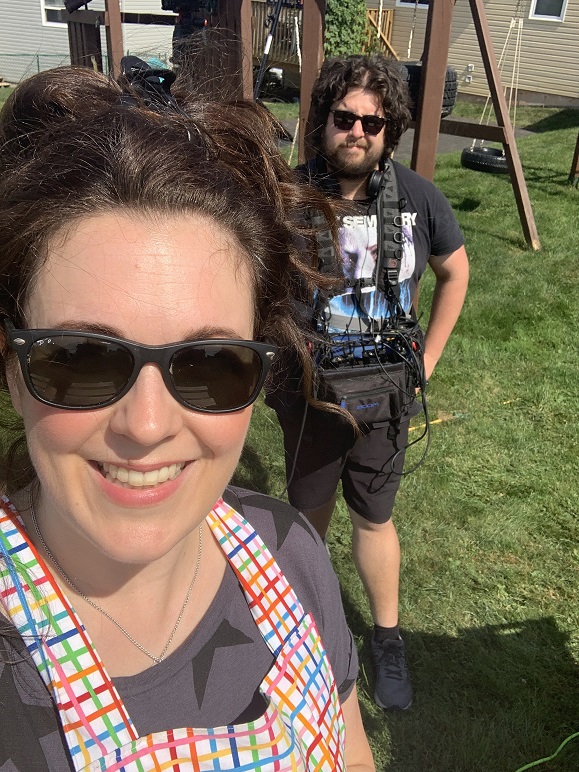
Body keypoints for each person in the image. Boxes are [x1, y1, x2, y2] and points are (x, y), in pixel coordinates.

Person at [0, 64, 375, 772]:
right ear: (12, 371)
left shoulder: (290, 555)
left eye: (209, 365)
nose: (145, 425)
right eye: (81, 358)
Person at [266, 54, 469, 712]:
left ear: (390, 129)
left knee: (375, 519)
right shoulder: (288, 196)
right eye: (343, 117)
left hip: (385, 393)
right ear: (322, 120)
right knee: (305, 522)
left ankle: (386, 638)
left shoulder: (416, 197)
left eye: (372, 122)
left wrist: (427, 361)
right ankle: (299, 636)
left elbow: (454, 271)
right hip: (311, 391)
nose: (357, 131)